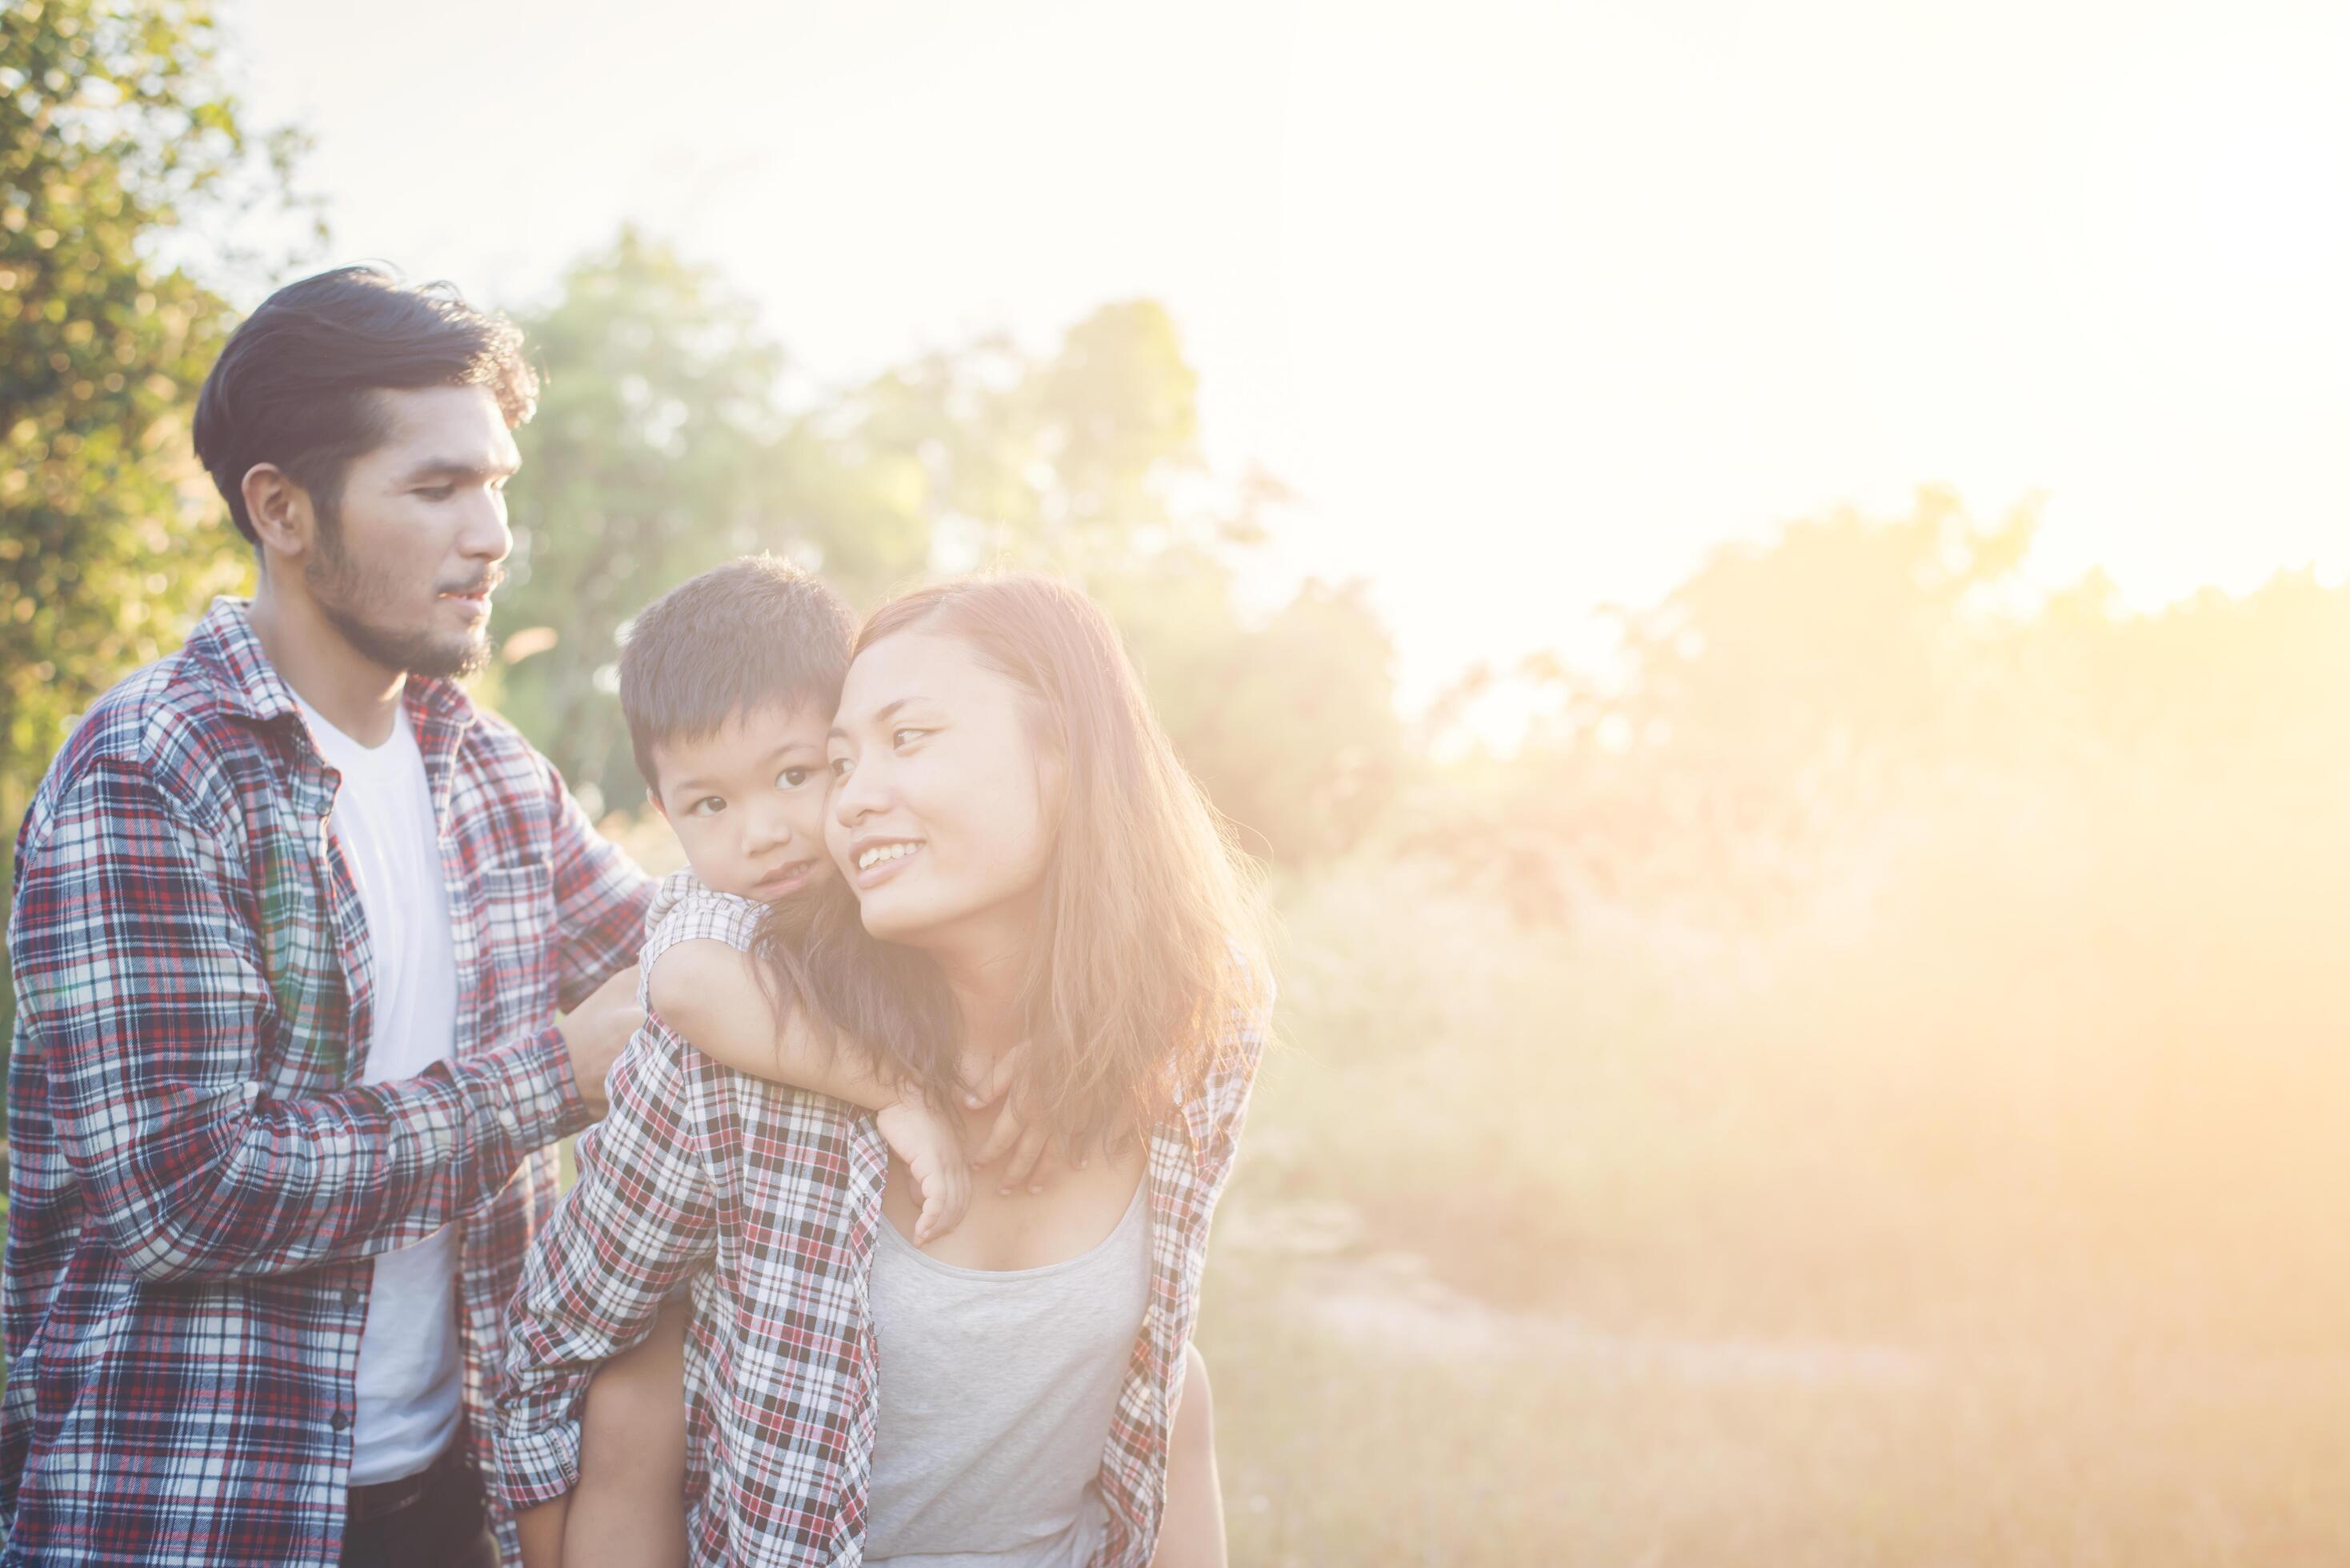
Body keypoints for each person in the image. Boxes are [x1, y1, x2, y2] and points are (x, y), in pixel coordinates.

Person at [2, 266, 651, 1567]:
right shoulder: (152, 767)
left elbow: (681, 958)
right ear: (284, 510)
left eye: (498, 485)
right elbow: (184, 1193)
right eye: (436, 488)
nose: (493, 535)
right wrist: (545, 1081)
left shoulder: (492, 777)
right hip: (192, 1513)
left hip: (451, 1506)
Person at [498, 574, 1267, 1566]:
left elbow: (1158, 1385)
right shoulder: (745, 1051)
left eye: (906, 740)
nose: (851, 798)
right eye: (841, 759)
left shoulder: (1198, 1029)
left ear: (1067, 751)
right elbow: (558, 1359)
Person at [518, 554, 975, 1568]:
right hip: (701, 1381)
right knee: (633, 1423)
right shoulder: (717, 917)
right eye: (708, 805)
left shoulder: (897, 891)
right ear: (665, 807)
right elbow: (681, 987)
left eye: (794, 776)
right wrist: (891, 1089)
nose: (761, 832)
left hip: (868, 1421)